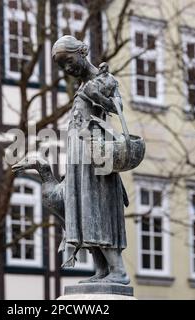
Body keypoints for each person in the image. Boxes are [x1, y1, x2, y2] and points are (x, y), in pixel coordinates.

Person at [52, 35, 129, 285]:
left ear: (82, 52)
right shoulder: (84, 85)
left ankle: (118, 270)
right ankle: (102, 270)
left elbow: (117, 108)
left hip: (96, 158)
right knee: (85, 212)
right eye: (62, 65)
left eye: (69, 61)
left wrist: (102, 89)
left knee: (98, 209)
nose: (67, 68)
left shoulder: (100, 80)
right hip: (78, 159)